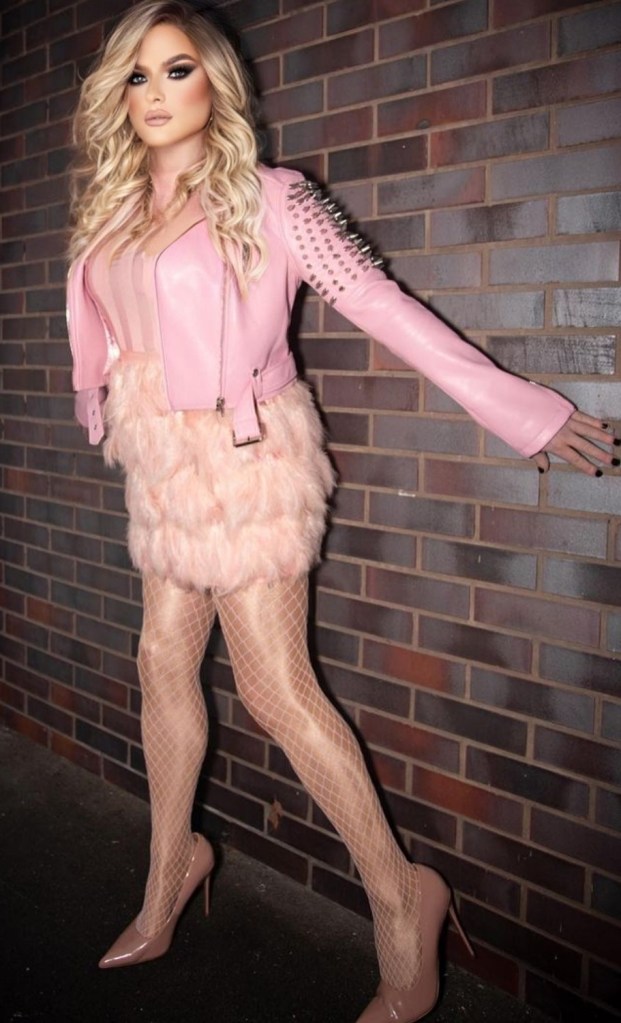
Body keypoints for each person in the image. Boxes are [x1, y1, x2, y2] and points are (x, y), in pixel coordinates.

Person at [66, 3, 617, 1021]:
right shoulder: (116, 211)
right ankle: (171, 866)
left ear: (215, 82)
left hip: (249, 457)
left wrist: (522, 410)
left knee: (274, 687)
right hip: (162, 463)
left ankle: (402, 897)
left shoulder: (272, 198)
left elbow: (381, 304)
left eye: (176, 69)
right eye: (136, 76)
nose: (154, 93)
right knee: (159, 660)